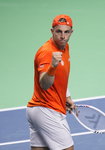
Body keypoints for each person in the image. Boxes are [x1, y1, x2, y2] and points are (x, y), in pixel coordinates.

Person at [26, 14, 75, 150]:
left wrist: (66, 96)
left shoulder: (65, 47)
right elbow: (44, 84)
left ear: (71, 32)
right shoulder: (47, 52)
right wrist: (53, 65)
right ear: (52, 31)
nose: (63, 36)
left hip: (36, 110)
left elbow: (60, 77)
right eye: (59, 31)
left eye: (66, 32)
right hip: (48, 110)